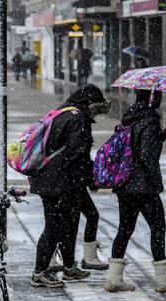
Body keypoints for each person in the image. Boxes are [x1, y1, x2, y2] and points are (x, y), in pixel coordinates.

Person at [105, 90, 166, 293]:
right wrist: (156, 184)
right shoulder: (149, 121)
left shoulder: (131, 117)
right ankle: (162, 278)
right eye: (158, 96)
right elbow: (147, 157)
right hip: (143, 187)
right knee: (158, 227)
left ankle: (114, 277)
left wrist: (159, 138)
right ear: (153, 99)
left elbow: (135, 147)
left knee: (125, 229)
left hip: (125, 184)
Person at [29, 84, 109, 288]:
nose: (96, 114)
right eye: (96, 108)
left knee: (69, 223)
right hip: (59, 183)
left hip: (57, 180)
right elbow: (77, 155)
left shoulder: (62, 113)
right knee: (54, 227)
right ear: (89, 104)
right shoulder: (77, 119)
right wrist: (90, 180)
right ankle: (39, 272)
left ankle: (69, 266)